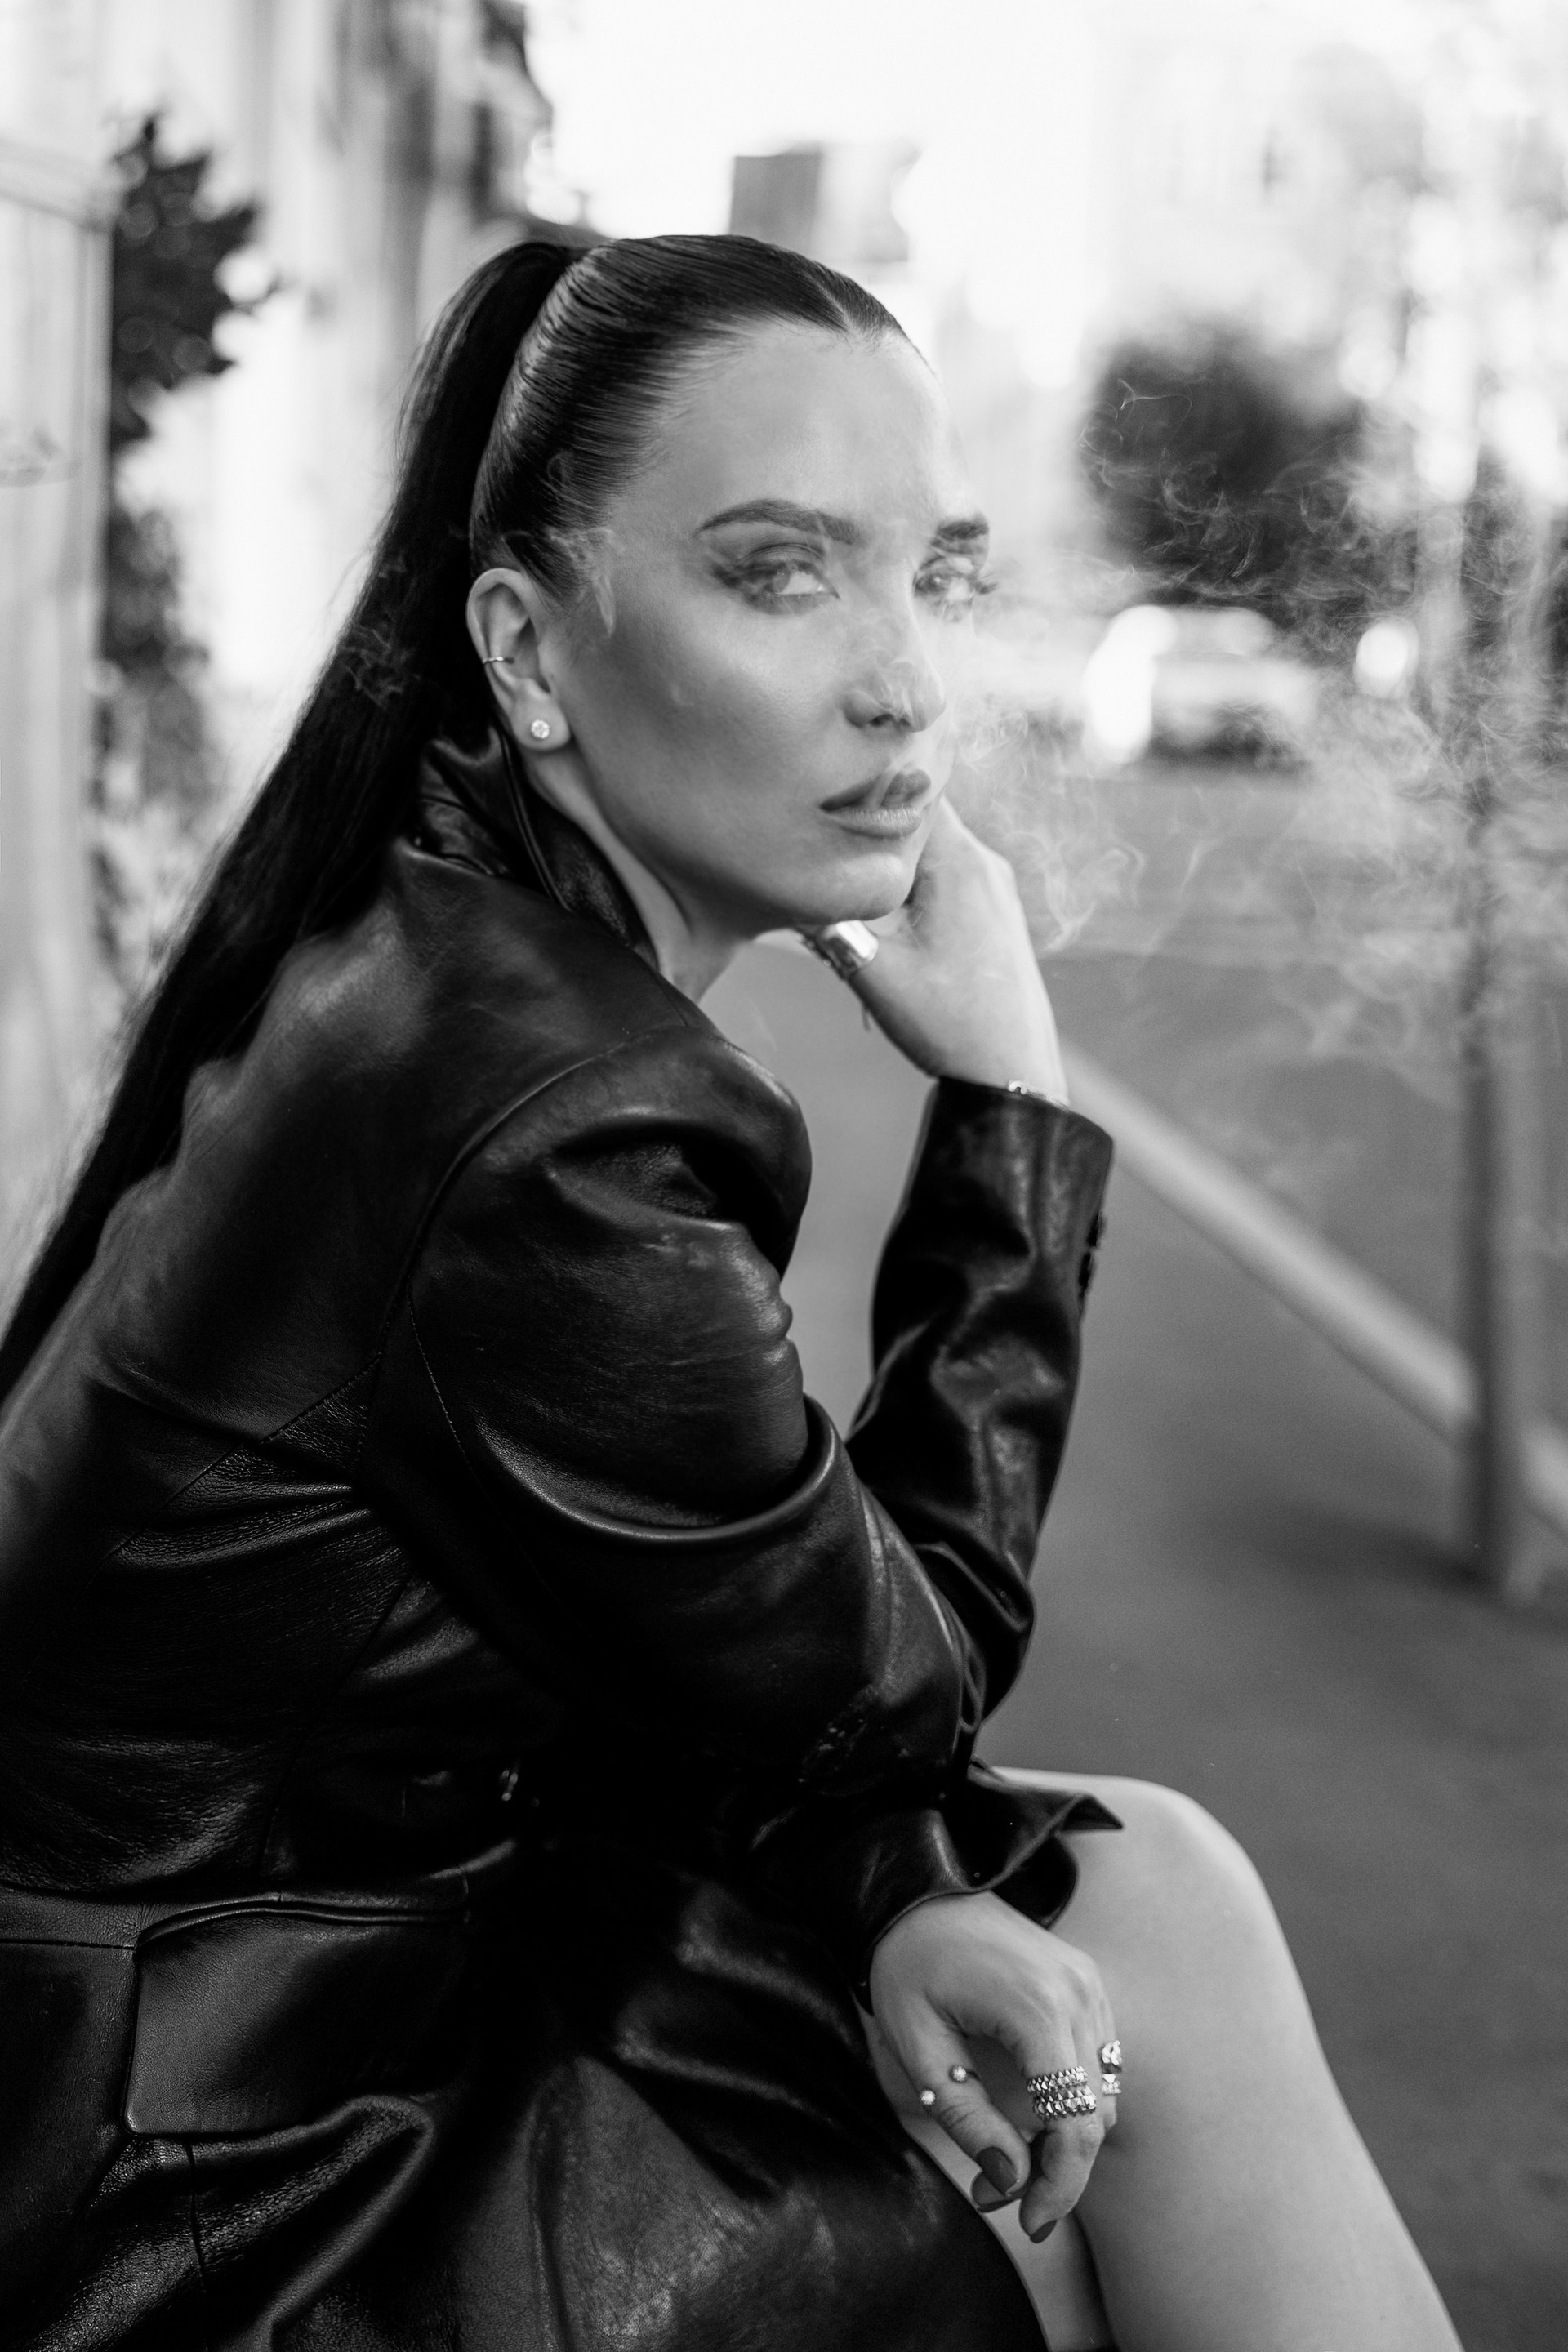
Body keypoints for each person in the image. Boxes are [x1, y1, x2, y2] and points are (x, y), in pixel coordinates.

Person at [0, 235, 1460, 2352]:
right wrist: (1013, 1115)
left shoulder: (446, 970)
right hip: (205, 2200)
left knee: (1121, 1913)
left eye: (926, 576)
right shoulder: (536, 1115)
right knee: (1150, 1957)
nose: (906, 686)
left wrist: (887, 1894)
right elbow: (891, 1686)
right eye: (781, 574)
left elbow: (696, 1665)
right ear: (527, 650)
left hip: (237, 2040)